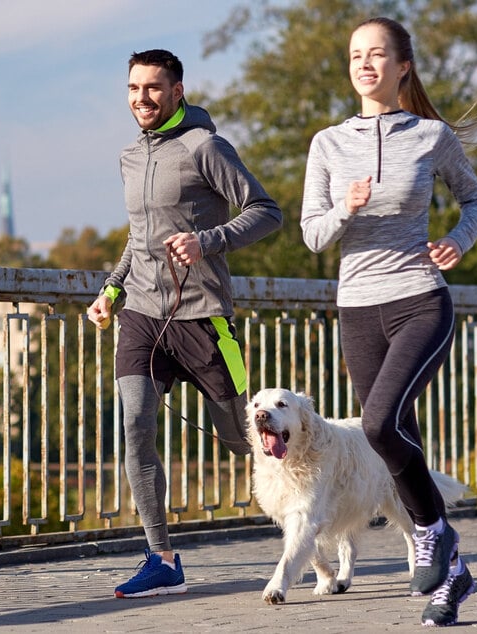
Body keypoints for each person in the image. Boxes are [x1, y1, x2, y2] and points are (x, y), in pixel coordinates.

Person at [300, 17, 477, 627]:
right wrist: (344, 208)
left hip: (419, 299)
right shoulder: (327, 143)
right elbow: (311, 236)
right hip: (358, 307)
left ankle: (435, 536)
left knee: (379, 425)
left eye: (377, 54)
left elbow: (476, 198)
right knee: (392, 441)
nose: (365, 64)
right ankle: (450, 578)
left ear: (402, 65)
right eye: (356, 54)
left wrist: (459, 239)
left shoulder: (431, 136)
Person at [87, 48, 282, 599]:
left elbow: (266, 211)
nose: (141, 99)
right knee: (135, 430)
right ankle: (162, 557)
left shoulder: (206, 147)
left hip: (203, 318)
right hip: (142, 316)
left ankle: (320, 511)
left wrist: (207, 241)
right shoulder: (129, 156)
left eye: (153, 88)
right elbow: (139, 234)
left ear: (177, 92)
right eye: (133, 88)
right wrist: (111, 288)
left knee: (248, 437)